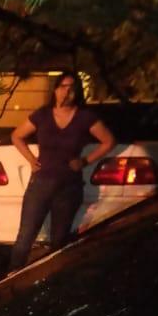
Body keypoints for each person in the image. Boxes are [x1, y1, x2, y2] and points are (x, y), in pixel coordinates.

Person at [8, 73, 114, 270]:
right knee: (25, 237)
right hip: (40, 184)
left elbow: (108, 141)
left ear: (77, 92)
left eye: (72, 88)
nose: (67, 91)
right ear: (55, 90)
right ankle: (10, 281)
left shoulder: (84, 117)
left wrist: (84, 161)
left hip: (68, 187)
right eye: (63, 86)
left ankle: (51, 283)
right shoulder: (42, 115)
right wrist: (31, 160)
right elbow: (16, 136)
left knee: (58, 242)